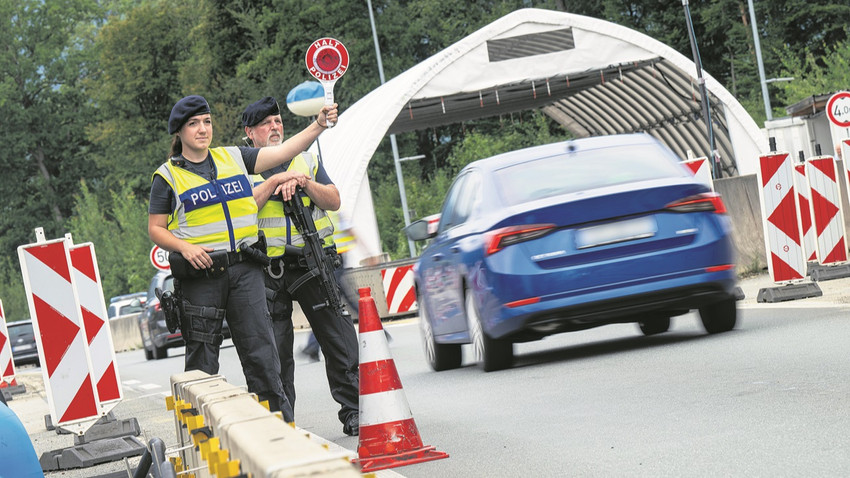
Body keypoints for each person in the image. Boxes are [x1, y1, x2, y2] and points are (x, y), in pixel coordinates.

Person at [148, 94, 338, 423]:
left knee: (263, 355)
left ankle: (281, 431)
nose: (202, 129)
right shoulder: (167, 177)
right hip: (202, 275)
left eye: (206, 122)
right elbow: (156, 228)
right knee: (202, 362)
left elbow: (284, 152)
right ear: (179, 132)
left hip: (246, 268)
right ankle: (200, 436)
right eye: (194, 124)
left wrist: (318, 125)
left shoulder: (234, 157)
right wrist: (184, 248)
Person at [242, 96, 360, 436]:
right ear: (250, 133)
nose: (275, 127)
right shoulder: (241, 168)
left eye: (278, 121)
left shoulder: (305, 158)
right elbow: (243, 209)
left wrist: (304, 182)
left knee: (338, 338)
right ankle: (282, 424)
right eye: (266, 124)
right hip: (268, 269)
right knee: (275, 351)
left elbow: (334, 199)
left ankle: (354, 410)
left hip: (313, 260)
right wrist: (275, 182)